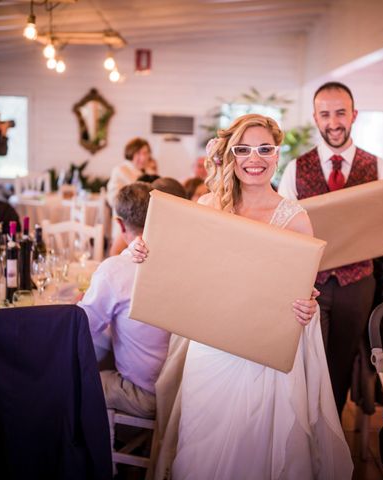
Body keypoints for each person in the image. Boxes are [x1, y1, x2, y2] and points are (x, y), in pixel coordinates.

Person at [131, 114, 353, 478]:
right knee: (201, 444)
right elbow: (182, 267)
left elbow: (301, 292)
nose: (255, 158)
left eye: (265, 148)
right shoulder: (208, 207)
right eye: (244, 149)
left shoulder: (295, 218)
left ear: (276, 154)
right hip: (212, 347)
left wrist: (306, 306)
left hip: (263, 353)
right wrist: (145, 252)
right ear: (231, 155)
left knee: (254, 449)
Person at [277, 81, 383, 415]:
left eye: (341, 113)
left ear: (354, 115)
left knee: (341, 364)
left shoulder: (379, 168)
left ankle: (328, 440)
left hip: (358, 283)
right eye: (325, 114)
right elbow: (283, 228)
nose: (334, 122)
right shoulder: (294, 169)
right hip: (308, 284)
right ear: (316, 118)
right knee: (305, 360)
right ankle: (302, 430)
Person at [77, 181, 175, 418]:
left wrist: (76, 305)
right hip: (182, 389)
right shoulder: (178, 260)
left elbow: (83, 329)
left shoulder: (115, 270)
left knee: (74, 383)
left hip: (146, 394)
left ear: (119, 223)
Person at [107, 138, 159, 255]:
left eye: (146, 153)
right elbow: (113, 198)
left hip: (145, 220)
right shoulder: (120, 170)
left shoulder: (150, 173)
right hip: (126, 220)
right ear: (131, 153)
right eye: (139, 153)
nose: (143, 157)